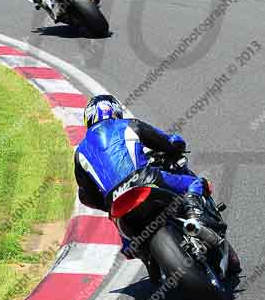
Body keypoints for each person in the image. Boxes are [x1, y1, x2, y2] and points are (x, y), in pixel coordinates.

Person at [74, 95, 241, 279]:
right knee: (196, 182)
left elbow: (87, 196)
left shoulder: (79, 152)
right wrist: (176, 146)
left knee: (126, 238)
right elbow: (167, 142)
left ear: (88, 118)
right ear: (115, 111)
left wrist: (106, 203)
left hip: (116, 203)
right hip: (145, 179)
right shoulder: (130, 125)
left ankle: (144, 254)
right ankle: (196, 217)